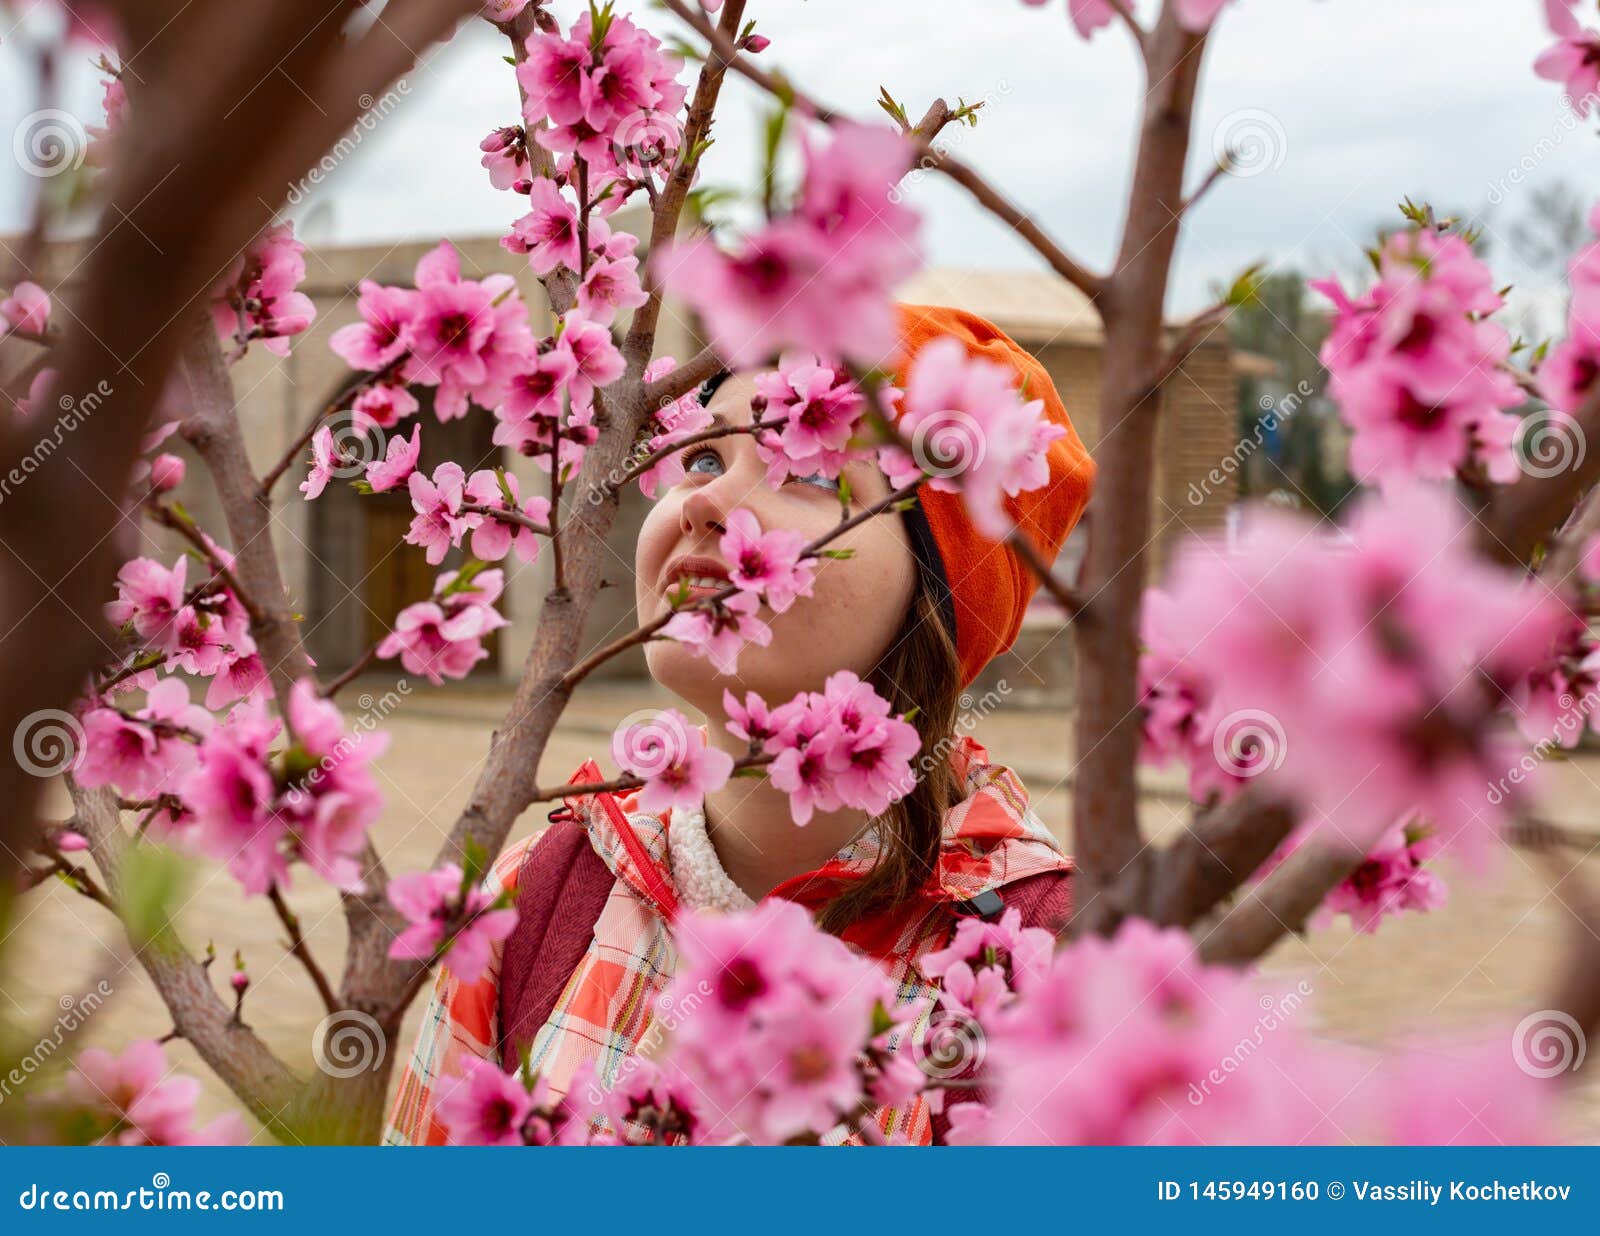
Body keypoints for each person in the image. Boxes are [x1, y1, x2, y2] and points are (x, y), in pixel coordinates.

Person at [383, 302, 1096, 1145]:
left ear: (940, 595)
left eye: (809, 469)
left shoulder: (1048, 960)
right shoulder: (536, 894)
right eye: (705, 454)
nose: (709, 500)